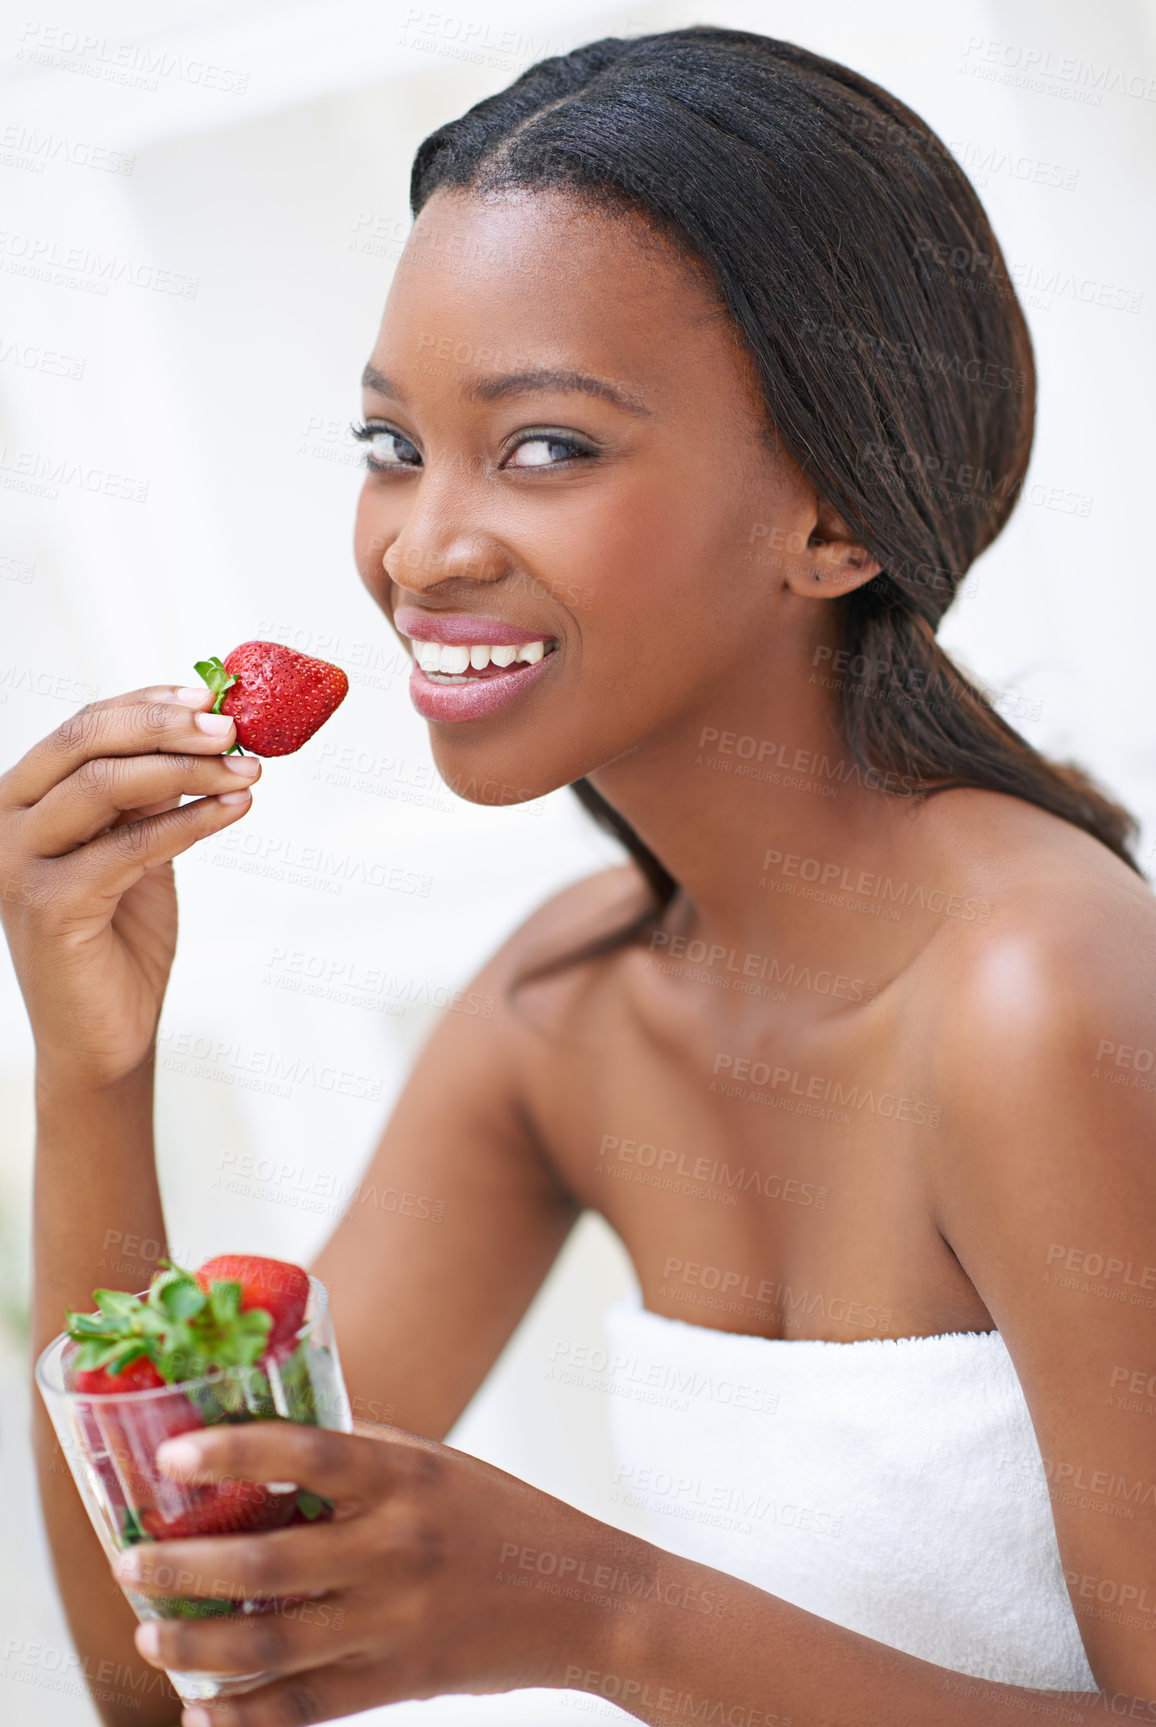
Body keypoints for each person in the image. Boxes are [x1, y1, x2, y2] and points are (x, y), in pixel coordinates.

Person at [4, 25, 1154, 1727]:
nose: (424, 546)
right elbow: (167, 1676)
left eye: (545, 446)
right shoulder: (568, 1006)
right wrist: (95, 1067)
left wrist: (604, 1615)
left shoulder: (1043, 997)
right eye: (394, 444)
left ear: (834, 519)